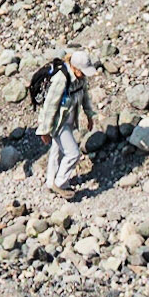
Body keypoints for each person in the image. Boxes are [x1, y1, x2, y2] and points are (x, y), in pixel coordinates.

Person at [37, 50, 98, 198]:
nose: (84, 75)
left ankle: (51, 182)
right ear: (74, 68)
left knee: (57, 150)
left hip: (69, 119)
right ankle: (61, 183)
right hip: (58, 123)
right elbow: (50, 106)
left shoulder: (80, 79)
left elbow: (85, 97)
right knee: (73, 153)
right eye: (82, 71)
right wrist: (44, 130)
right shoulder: (61, 79)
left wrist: (89, 115)